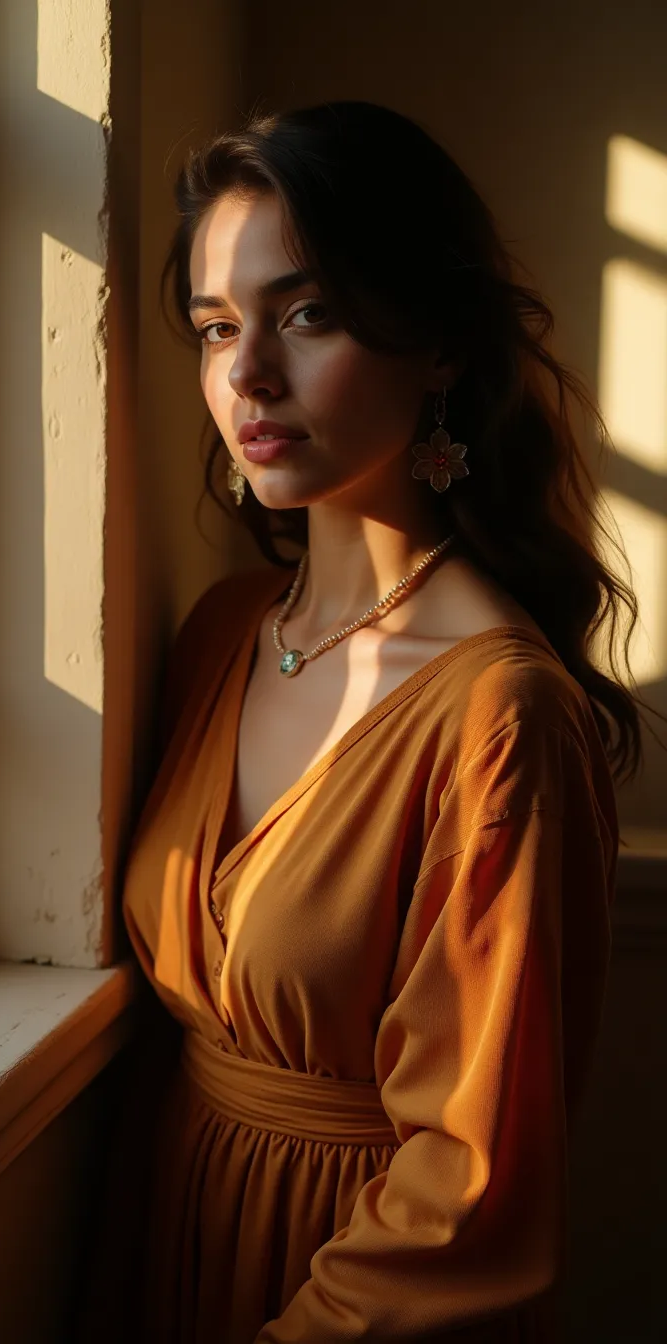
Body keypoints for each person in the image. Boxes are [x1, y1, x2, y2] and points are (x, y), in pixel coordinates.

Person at [79, 102, 664, 1343]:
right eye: (216, 327)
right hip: (164, 1248)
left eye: (309, 315)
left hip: (347, 1292)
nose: (247, 375)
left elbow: (469, 1193)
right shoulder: (226, 632)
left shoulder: (501, 721)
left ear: (439, 344)